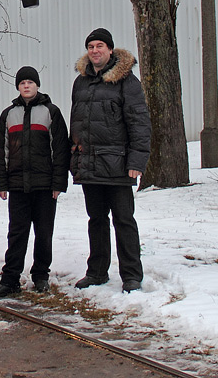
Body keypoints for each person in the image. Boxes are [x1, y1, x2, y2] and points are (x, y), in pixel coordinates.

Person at [70, 28, 151, 293]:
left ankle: (131, 275)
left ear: (110, 50)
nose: (95, 51)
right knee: (96, 220)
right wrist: (75, 159)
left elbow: (139, 123)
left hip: (118, 165)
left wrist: (136, 162)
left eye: (100, 46)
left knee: (124, 220)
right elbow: (77, 125)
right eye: (91, 46)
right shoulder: (81, 82)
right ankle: (96, 272)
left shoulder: (127, 81)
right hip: (90, 165)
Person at [0, 66, 70, 299]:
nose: (26, 86)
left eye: (30, 82)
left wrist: (58, 184)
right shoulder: (8, 114)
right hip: (17, 188)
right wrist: (1, 184)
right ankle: (10, 279)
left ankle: (41, 275)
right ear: (18, 87)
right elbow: (0, 152)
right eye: (22, 82)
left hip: (45, 187)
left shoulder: (51, 112)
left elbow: (60, 151)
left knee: (44, 233)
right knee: (16, 234)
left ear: (37, 85)